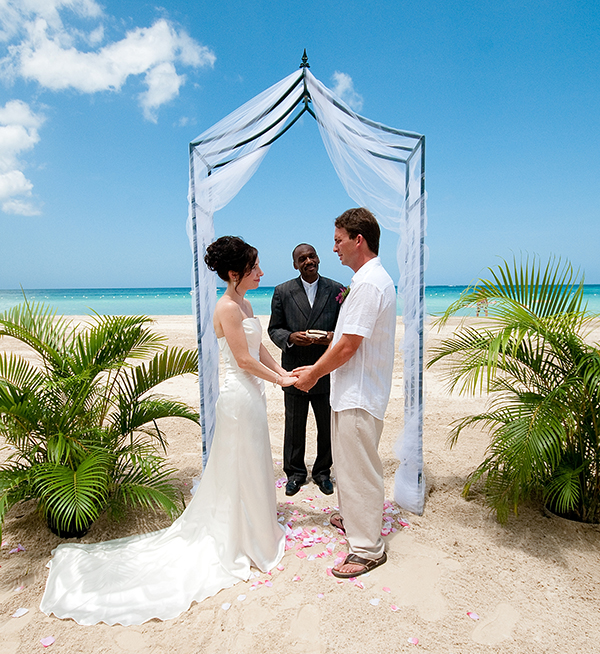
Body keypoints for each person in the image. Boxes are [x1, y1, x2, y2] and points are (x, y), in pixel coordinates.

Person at [40, 236, 296, 626]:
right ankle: (242, 537)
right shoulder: (226, 306)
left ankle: (256, 527)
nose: (261, 272)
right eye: (255, 266)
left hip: (253, 396)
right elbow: (242, 360)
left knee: (254, 461)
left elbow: (259, 348)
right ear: (234, 274)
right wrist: (281, 383)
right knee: (238, 464)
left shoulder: (245, 303)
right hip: (238, 398)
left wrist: (281, 372)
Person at [293, 208, 396, 579]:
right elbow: (343, 339)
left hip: (359, 392)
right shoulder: (366, 279)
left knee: (359, 470)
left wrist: (313, 374)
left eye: (338, 240)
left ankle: (368, 548)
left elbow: (349, 345)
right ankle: (354, 518)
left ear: (359, 240)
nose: (333, 248)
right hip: (350, 389)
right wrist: (317, 370)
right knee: (348, 467)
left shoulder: (368, 284)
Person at [268, 243, 343, 497]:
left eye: (311, 256)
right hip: (295, 370)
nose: (308, 261)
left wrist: (331, 337)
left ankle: (323, 472)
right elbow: (273, 329)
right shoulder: (282, 292)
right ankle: (295, 474)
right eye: (302, 258)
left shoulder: (337, 290)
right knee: (294, 426)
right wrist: (290, 337)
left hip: (325, 369)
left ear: (318, 258)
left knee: (326, 425)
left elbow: (344, 329)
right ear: (295, 264)